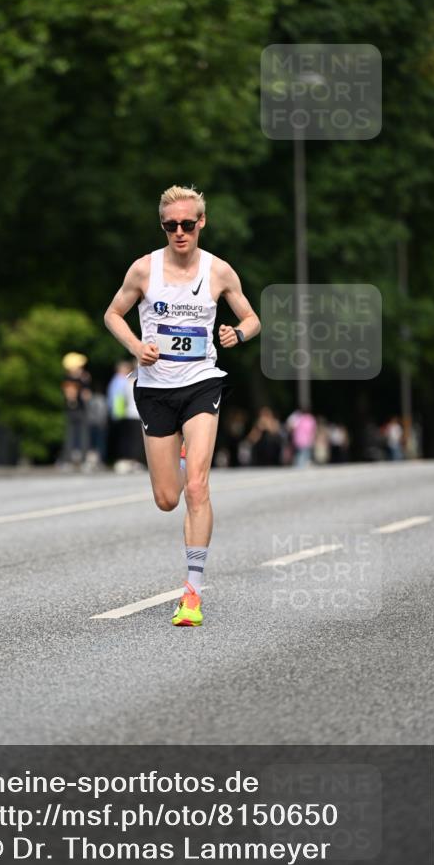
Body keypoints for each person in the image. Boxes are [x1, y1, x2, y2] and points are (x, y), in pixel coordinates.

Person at [103, 184, 260, 626]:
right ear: (163, 227)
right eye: (170, 225)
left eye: (187, 224)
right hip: (154, 390)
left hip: (200, 384)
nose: (179, 232)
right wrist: (137, 346)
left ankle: (192, 593)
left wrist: (238, 334)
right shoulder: (143, 270)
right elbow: (112, 313)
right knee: (167, 498)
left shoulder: (218, 272)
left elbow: (252, 318)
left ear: (201, 223)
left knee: (196, 488)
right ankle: (181, 447)